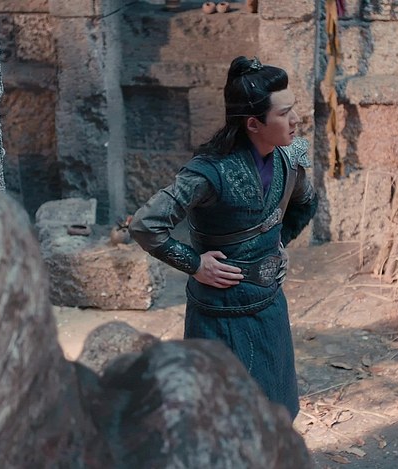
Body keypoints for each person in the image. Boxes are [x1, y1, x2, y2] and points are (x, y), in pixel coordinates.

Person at [129, 56, 317, 420]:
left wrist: (277, 243)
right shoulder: (209, 173)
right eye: (284, 113)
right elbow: (145, 224)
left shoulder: (288, 159)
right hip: (220, 314)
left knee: (278, 409)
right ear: (253, 123)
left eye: (293, 109)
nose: (295, 120)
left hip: (269, 305)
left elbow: (305, 203)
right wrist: (195, 264)